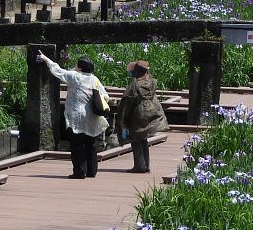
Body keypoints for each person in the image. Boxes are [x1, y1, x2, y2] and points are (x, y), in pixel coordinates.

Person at [36, 51, 109, 179]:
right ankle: (91, 171)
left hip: (76, 117)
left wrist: (45, 58)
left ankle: (80, 172)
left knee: (76, 145)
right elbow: (106, 96)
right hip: (92, 117)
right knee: (90, 145)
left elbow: (58, 71)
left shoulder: (75, 76)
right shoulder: (94, 79)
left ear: (80, 67)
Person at [116, 59, 168, 173]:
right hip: (151, 112)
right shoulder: (153, 82)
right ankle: (146, 165)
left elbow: (127, 100)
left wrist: (122, 119)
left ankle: (139, 166)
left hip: (138, 114)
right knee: (143, 139)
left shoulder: (135, 84)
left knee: (135, 139)